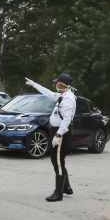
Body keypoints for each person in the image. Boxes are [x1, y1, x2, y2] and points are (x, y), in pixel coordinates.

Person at [25, 73, 77, 202]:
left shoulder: (68, 99)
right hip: (57, 131)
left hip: (61, 133)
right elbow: (48, 93)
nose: (55, 85)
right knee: (58, 161)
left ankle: (58, 193)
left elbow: (67, 120)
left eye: (57, 83)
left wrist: (58, 135)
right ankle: (66, 187)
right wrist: (34, 85)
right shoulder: (62, 95)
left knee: (57, 161)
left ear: (63, 85)